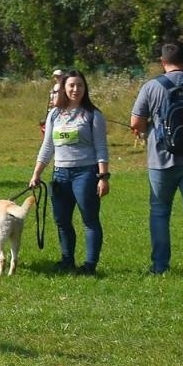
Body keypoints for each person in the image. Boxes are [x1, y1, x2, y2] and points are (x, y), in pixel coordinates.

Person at [129, 42, 183, 281]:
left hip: (160, 161)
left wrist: (147, 130)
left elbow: (136, 123)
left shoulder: (151, 87)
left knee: (159, 213)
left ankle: (160, 266)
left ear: (162, 61)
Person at [28, 70, 110, 275]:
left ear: (85, 88)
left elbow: (101, 147)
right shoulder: (54, 115)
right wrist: (36, 173)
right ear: (64, 87)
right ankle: (67, 260)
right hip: (60, 174)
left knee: (89, 220)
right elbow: (48, 147)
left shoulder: (92, 114)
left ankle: (90, 265)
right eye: (71, 85)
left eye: (80, 85)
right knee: (62, 220)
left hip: (86, 173)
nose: (75, 89)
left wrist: (103, 177)